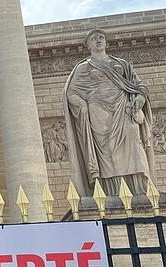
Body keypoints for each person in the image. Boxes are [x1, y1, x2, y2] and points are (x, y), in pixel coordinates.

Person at [64, 28, 156, 197]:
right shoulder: (84, 68)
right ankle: (110, 192)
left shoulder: (121, 64)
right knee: (108, 149)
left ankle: (139, 189)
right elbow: (71, 93)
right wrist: (82, 107)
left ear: (106, 42)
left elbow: (139, 85)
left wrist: (140, 99)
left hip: (124, 108)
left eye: (101, 37)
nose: (98, 40)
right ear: (88, 44)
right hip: (98, 111)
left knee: (133, 138)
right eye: (93, 38)